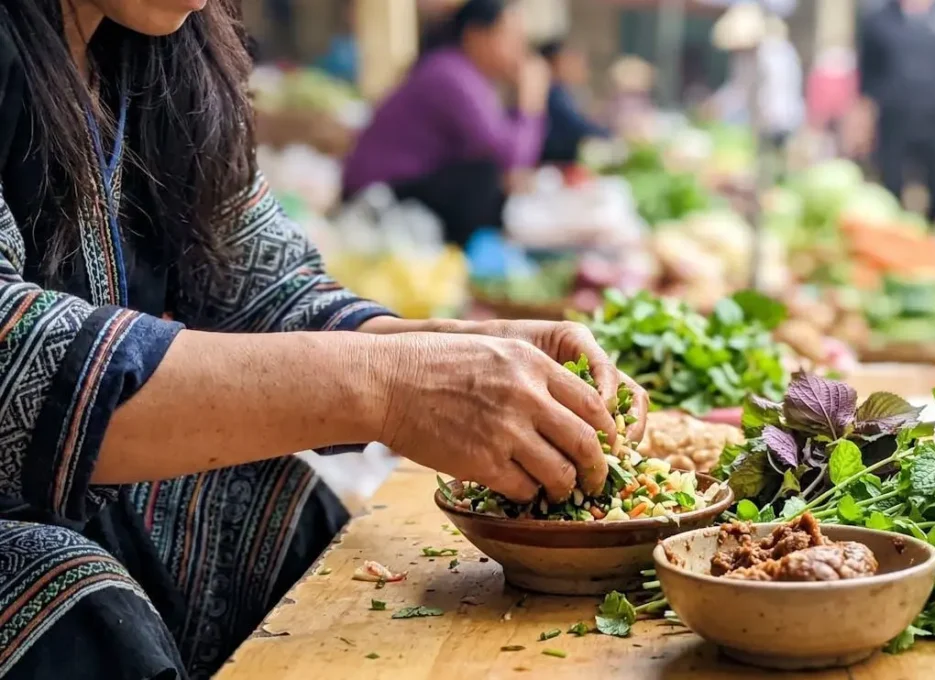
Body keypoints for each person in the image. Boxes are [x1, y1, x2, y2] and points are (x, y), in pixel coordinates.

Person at [0, 2, 647, 678]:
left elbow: (265, 291)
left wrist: (452, 350)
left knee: (273, 508)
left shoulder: (165, 58)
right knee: (71, 601)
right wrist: (390, 389)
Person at [342, 0, 549, 247]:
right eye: (512, 38)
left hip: (400, 191)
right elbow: (509, 158)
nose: (521, 51)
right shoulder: (451, 75)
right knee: (483, 176)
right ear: (476, 36)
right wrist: (530, 102)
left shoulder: (463, 74)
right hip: (376, 198)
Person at [857, 0, 935, 227]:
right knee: (890, 180)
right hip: (894, 114)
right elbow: (868, 73)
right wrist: (864, 116)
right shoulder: (878, 18)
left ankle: (932, 231)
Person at [707, 15, 805, 149]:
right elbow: (737, 87)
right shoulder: (749, 57)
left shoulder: (774, 55)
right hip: (763, 123)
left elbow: (773, 95)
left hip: (779, 122)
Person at [537, 39, 609, 165]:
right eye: (567, 61)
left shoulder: (562, 91)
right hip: (552, 162)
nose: (571, 66)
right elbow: (577, 125)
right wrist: (608, 133)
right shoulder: (552, 93)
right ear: (553, 63)